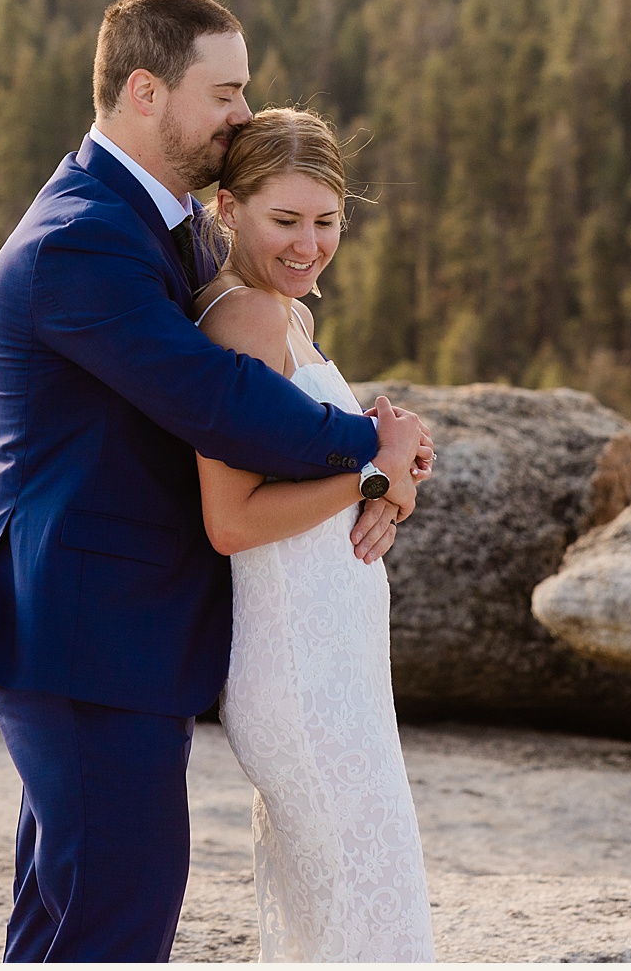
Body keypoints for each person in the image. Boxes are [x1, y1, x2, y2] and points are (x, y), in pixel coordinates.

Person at [0, 0, 433, 964]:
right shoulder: (82, 237)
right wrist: (370, 453)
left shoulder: (155, 222)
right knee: (112, 925)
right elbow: (210, 396)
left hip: (114, 630)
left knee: (69, 920)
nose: (242, 114)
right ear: (145, 90)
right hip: (87, 628)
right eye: (225, 91)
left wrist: (383, 453)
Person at [192, 108, 435, 962]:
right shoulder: (245, 321)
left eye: (326, 220)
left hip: (339, 671)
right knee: (369, 922)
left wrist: (391, 477)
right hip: (300, 677)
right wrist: (375, 474)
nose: (309, 243)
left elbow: (341, 463)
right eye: (284, 220)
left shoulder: (285, 312)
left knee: (357, 916)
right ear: (229, 209)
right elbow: (232, 520)